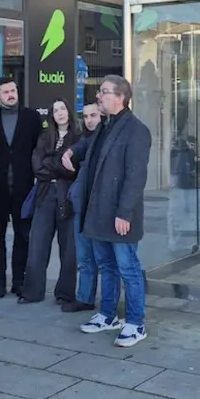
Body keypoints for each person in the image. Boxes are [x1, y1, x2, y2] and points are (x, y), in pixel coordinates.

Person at [62, 75, 152, 347]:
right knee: (106, 266)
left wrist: (124, 212)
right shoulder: (105, 126)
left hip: (118, 214)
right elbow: (88, 144)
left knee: (129, 268)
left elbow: (135, 176)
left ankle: (136, 323)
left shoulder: (136, 131)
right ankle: (107, 315)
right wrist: (71, 152)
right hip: (97, 211)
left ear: (120, 97)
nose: (99, 96)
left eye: (104, 92)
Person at [0, 77, 43, 298]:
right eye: (5, 91)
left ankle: (18, 281)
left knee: (23, 236)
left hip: (23, 188)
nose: (10, 94)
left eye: (13, 90)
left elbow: (39, 150)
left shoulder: (32, 118)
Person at [19, 99, 82, 304]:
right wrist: (61, 165)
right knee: (37, 245)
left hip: (68, 195)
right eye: (55, 110)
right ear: (51, 115)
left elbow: (76, 169)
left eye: (63, 108)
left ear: (69, 111)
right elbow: (37, 167)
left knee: (69, 249)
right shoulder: (45, 137)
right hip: (45, 194)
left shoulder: (78, 138)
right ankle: (32, 292)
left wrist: (51, 163)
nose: (60, 113)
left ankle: (64, 294)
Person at [61, 103, 104, 313]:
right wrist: (69, 151)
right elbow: (82, 146)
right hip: (82, 204)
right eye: (85, 116)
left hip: (100, 207)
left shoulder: (107, 137)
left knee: (106, 259)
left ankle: (109, 304)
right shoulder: (86, 139)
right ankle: (85, 297)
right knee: (85, 255)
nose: (89, 120)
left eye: (93, 115)